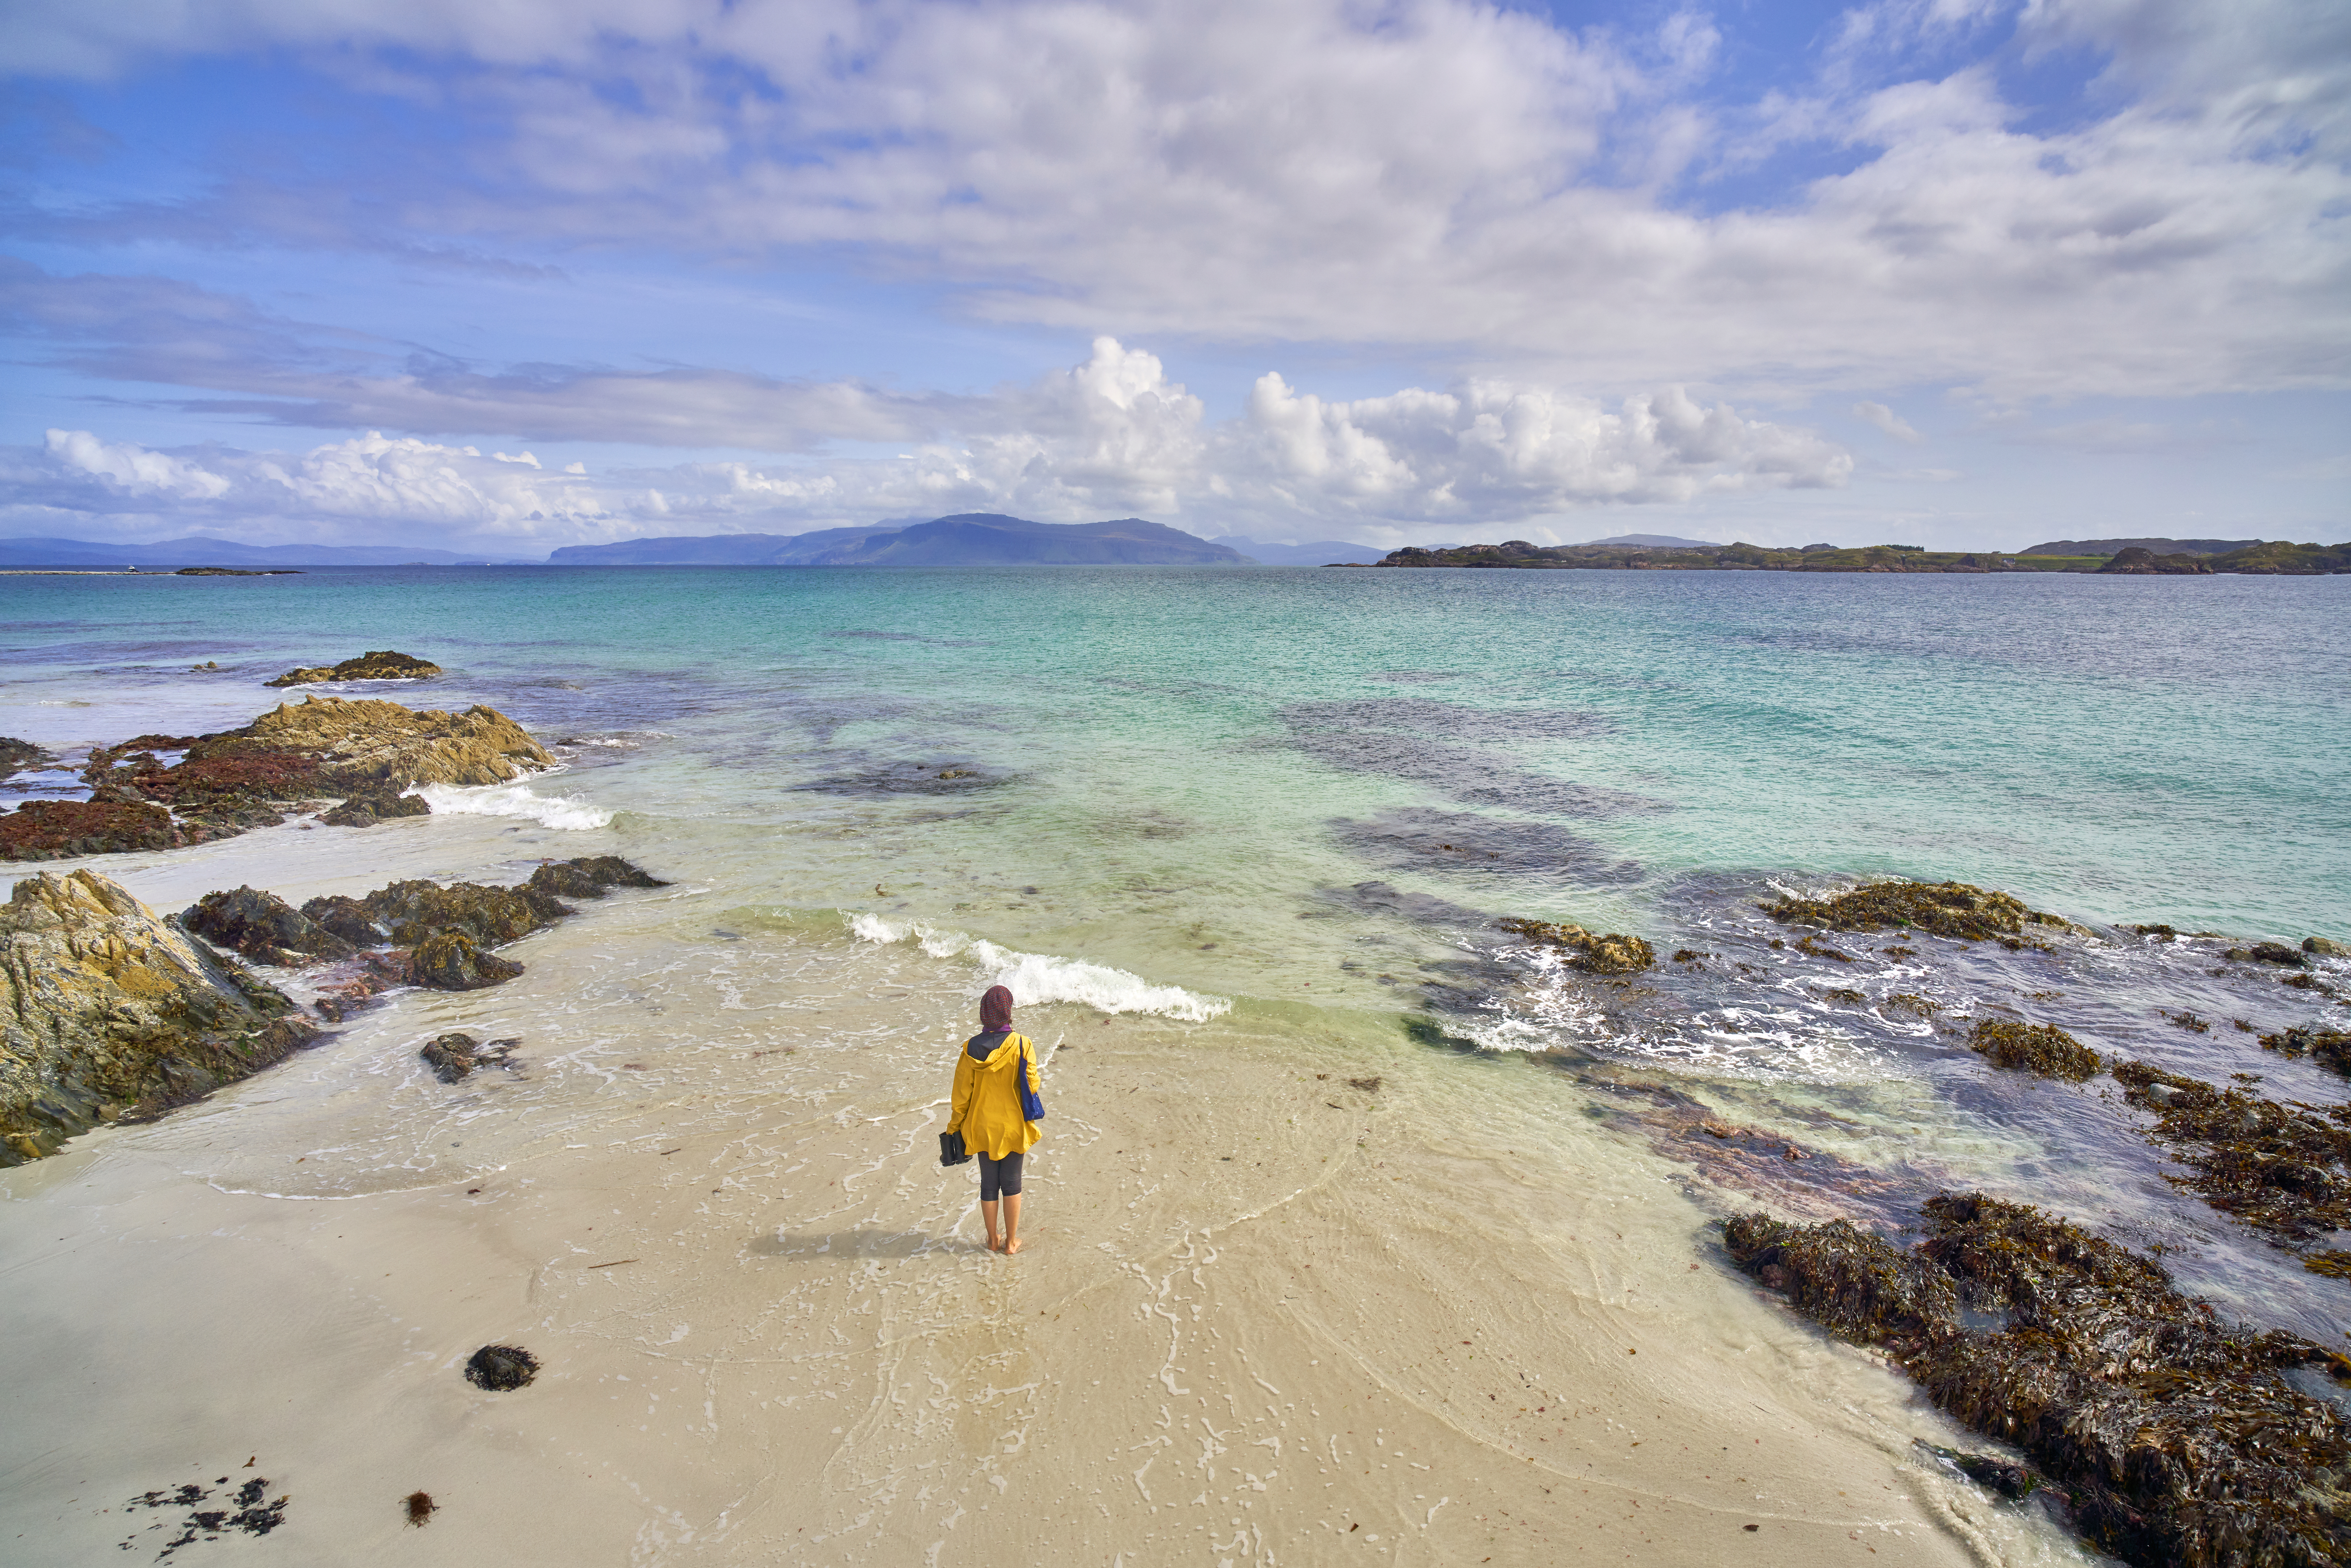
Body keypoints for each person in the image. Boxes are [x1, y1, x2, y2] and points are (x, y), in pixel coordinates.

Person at [947, 984, 1043, 1254]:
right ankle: (1011, 1242)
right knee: (1012, 1182)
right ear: (1008, 1011)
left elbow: (961, 1096)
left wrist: (955, 1127)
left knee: (989, 1183)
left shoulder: (969, 1049)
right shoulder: (1023, 1044)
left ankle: (992, 1240)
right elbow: (1033, 1084)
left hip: (982, 1125)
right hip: (1013, 1125)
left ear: (984, 1013)